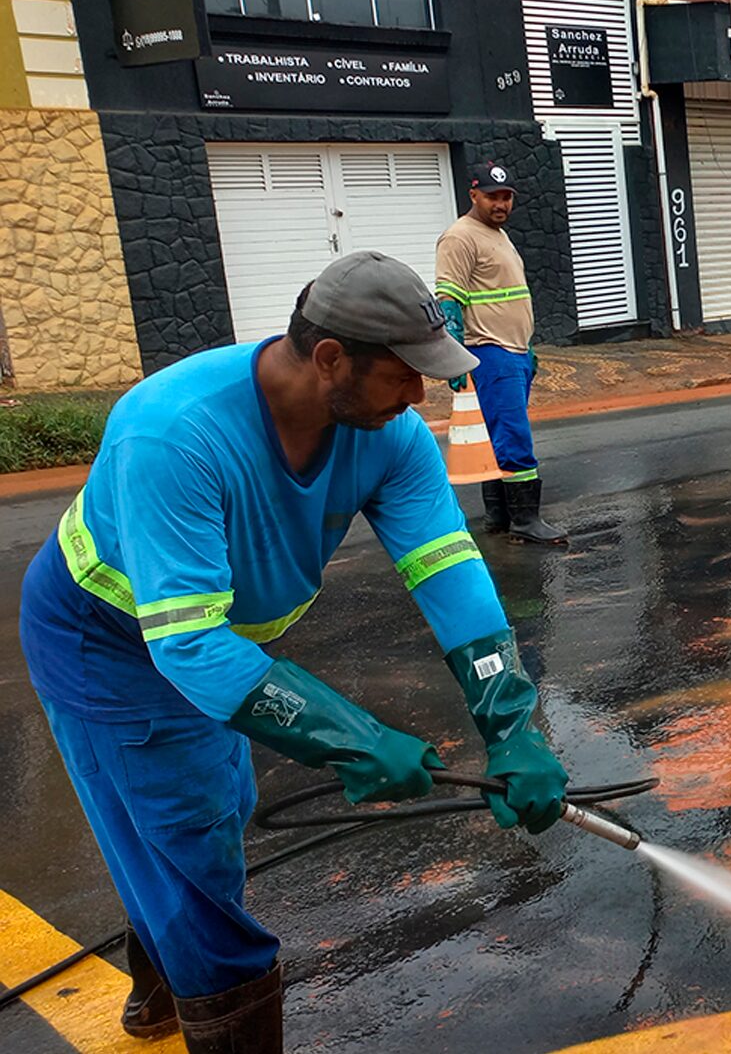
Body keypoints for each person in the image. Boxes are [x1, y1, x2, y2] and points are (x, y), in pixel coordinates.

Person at [17, 252, 572, 1051]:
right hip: (103, 642)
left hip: (209, 643)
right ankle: (203, 985)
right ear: (330, 359)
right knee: (191, 832)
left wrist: (513, 724)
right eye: (404, 376)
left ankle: (159, 971)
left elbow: (450, 573)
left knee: (207, 820)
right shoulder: (174, 433)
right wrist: (350, 737)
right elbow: (190, 646)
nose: (419, 397)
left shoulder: (390, 437)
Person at [435, 161, 566, 545]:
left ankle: (500, 515)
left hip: (514, 352)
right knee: (512, 435)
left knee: (497, 437)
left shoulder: (498, 235)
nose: (501, 203)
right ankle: (526, 520)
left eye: (506, 196)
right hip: (489, 353)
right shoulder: (460, 238)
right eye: (492, 196)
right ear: (473, 194)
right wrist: (454, 355)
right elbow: (449, 301)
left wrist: (528, 348)